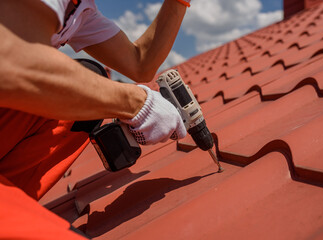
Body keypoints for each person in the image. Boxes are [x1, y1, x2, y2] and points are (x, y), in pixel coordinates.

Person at [0, 0, 191, 238]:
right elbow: (9, 59)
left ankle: (13, 198)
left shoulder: (81, 10)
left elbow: (141, 63)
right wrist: (135, 102)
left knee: (92, 81)